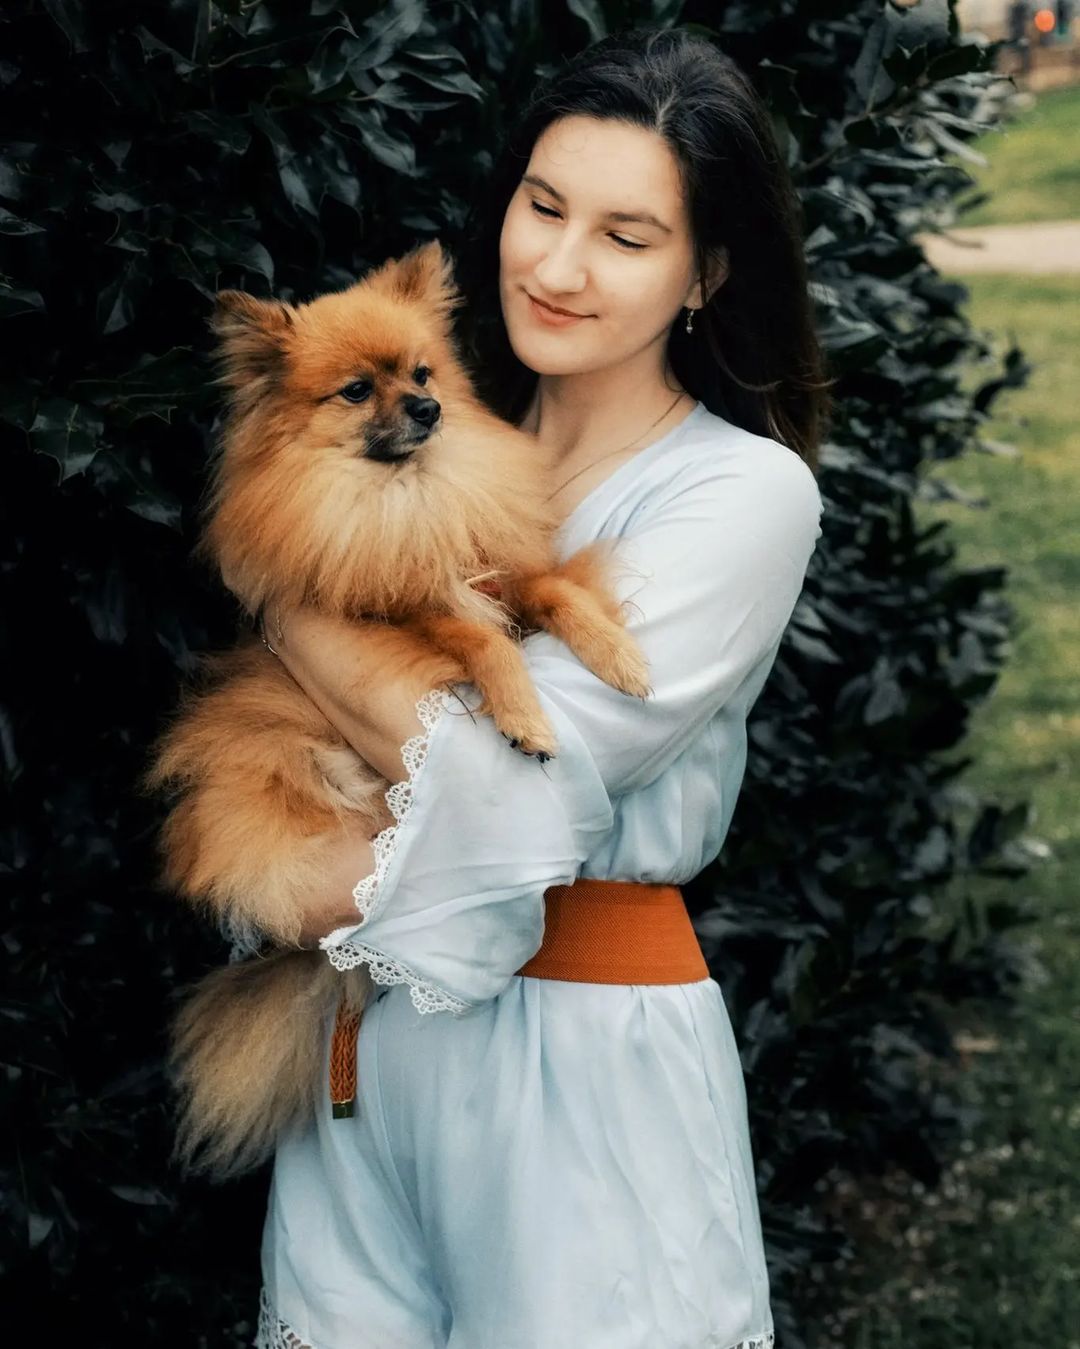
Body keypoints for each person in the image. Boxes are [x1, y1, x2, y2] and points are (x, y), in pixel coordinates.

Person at [252, 26, 832, 1349]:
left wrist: (286, 608)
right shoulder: (436, 442)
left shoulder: (739, 493)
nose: (560, 267)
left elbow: (519, 772)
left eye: (627, 237)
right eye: (543, 206)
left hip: (579, 1061)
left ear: (707, 273)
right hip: (361, 1053)